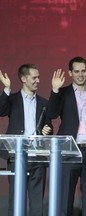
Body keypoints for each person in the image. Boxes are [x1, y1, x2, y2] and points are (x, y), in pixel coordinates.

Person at [47, 56, 86, 216]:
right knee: (65, 198)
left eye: (83, 71)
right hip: (68, 151)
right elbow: (51, 114)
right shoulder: (63, 93)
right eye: (77, 71)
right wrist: (54, 90)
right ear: (70, 73)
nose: (81, 74)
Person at [0, 64, 52, 216]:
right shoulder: (12, 99)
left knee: (37, 205)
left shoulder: (44, 103)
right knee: (16, 203)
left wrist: (47, 130)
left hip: (38, 157)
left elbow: (49, 127)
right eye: (34, 77)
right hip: (17, 156)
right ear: (23, 78)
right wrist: (7, 89)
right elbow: (1, 110)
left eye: (39, 77)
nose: (38, 80)